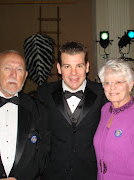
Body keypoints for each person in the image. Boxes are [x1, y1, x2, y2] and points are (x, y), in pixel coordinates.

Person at [37, 41, 108, 180]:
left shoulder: (102, 93)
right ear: (59, 68)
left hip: (90, 173)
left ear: (87, 67)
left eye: (79, 66)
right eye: (67, 66)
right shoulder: (44, 92)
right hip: (54, 173)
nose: (73, 73)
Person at [0, 50, 49, 180]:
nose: (13, 74)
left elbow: (44, 151)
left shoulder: (38, 108)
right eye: (7, 68)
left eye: (19, 70)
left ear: (26, 75)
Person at [94, 59, 134, 180]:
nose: (112, 87)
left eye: (118, 82)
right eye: (108, 82)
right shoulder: (105, 109)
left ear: (130, 84)